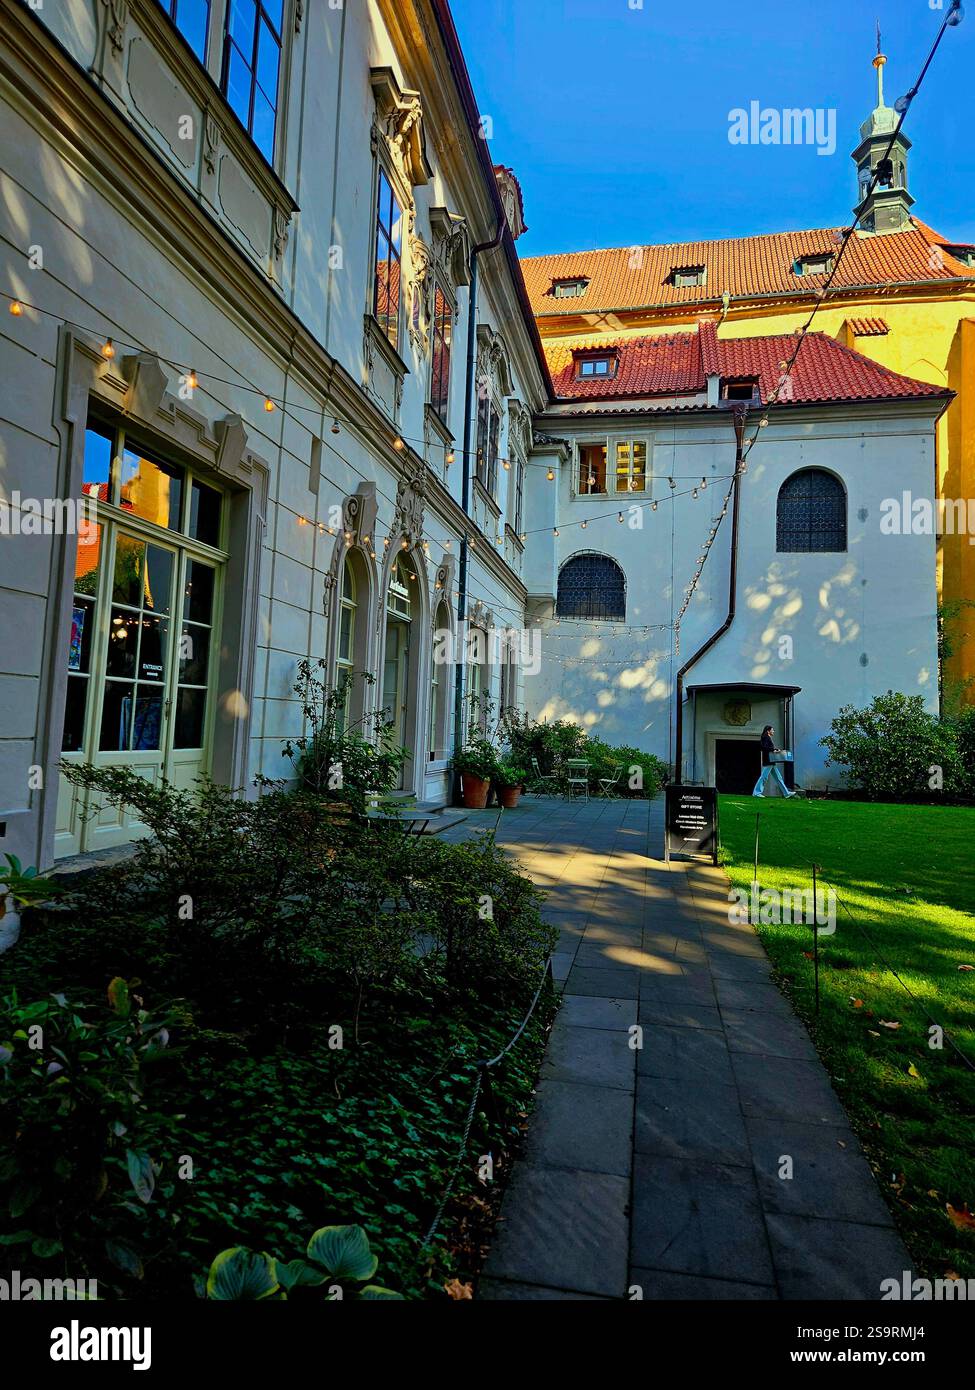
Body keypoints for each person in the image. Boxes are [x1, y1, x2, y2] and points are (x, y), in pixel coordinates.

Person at [753, 725, 797, 797]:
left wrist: (775, 749)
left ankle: (786, 793)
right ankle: (756, 793)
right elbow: (764, 748)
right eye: (772, 730)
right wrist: (774, 750)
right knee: (764, 777)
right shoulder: (765, 738)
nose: (773, 731)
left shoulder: (768, 738)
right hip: (768, 761)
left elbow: (768, 748)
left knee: (778, 778)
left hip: (771, 761)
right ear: (768, 731)